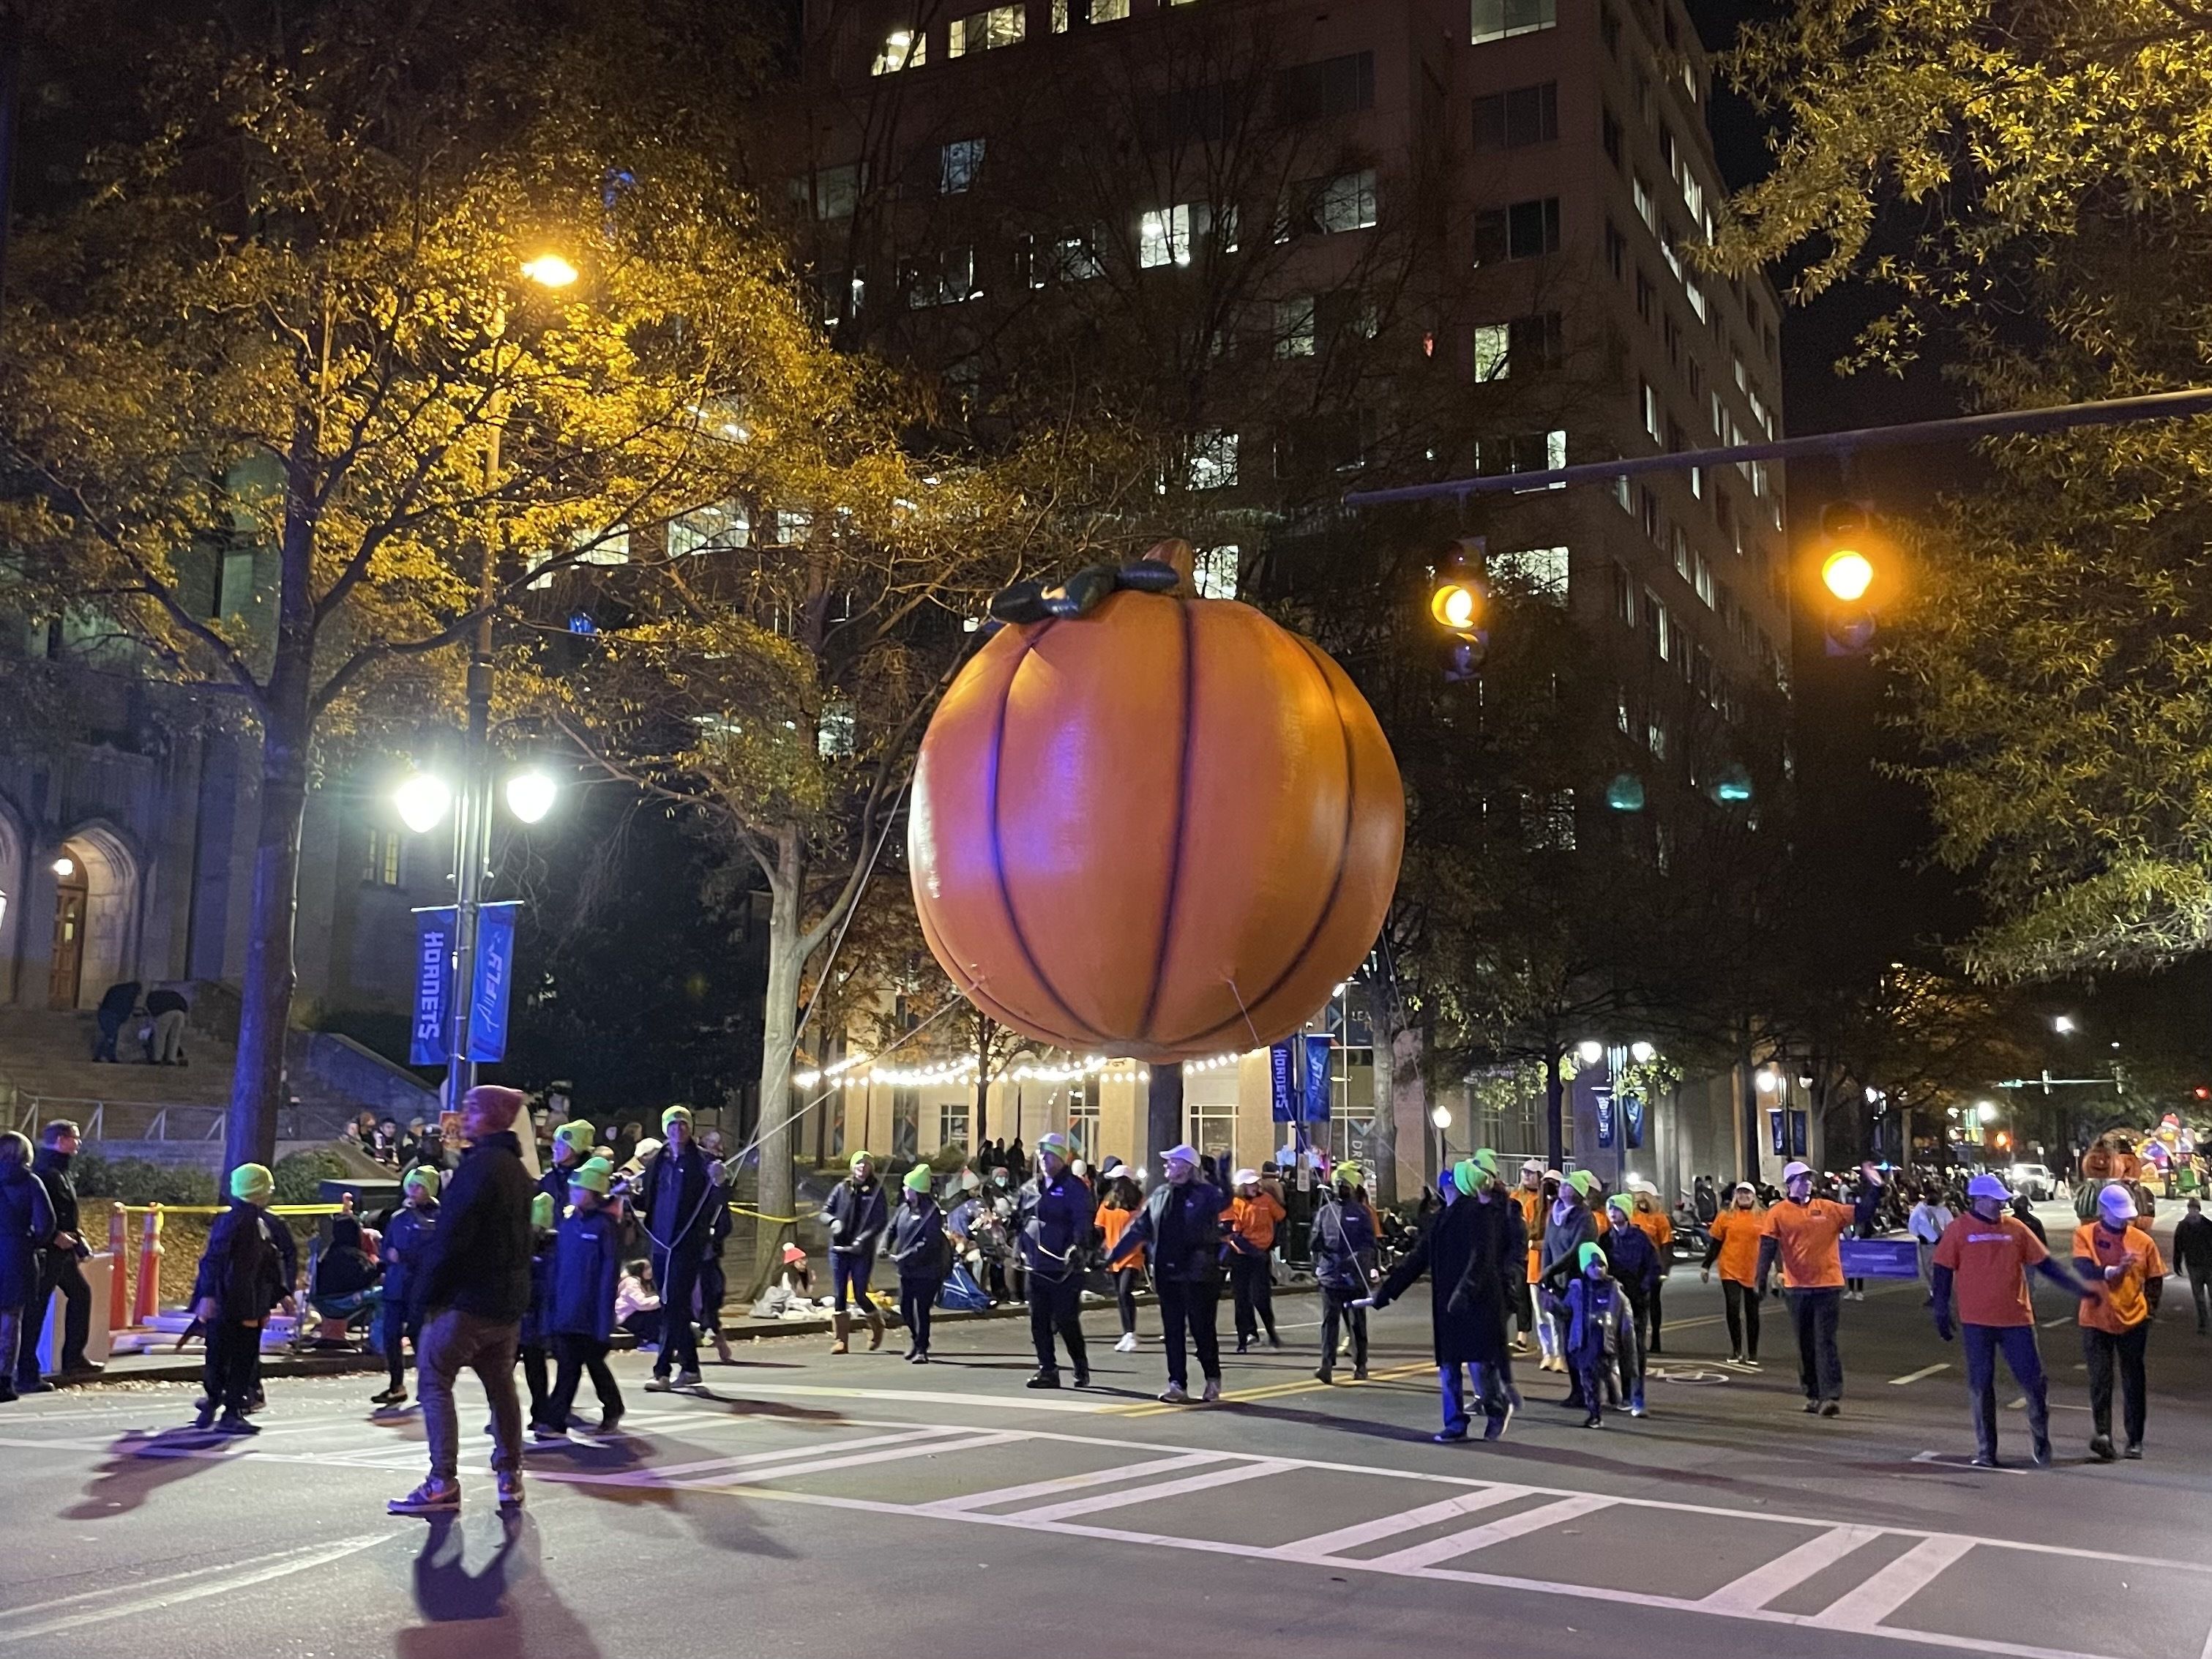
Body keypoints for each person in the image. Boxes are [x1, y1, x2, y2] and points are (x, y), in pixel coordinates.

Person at [389, 1084, 534, 1516]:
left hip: (466, 1301)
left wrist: (423, 1299)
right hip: (506, 1304)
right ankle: (510, 1475)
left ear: (490, 1115)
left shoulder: (479, 1169)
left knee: (434, 1382)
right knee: (500, 1385)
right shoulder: (517, 1171)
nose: (463, 1115)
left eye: (473, 1108)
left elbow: (452, 1240)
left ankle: (442, 1481)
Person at [1929, 1172, 2095, 1468]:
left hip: (2017, 1319)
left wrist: (2078, 1288)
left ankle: (2041, 1443)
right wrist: (1940, 1309)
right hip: (1976, 1322)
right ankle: (1986, 1451)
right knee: (1981, 1385)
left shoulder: (2016, 1229)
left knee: (2034, 1383)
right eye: (1995, 1201)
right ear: (1978, 1200)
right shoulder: (1958, 1230)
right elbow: (1942, 1270)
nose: (2000, 1206)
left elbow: (2046, 1265)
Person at [1365, 1152, 1525, 1442]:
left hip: (1475, 1301)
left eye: (1450, 1182)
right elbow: (1417, 1259)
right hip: (1448, 1304)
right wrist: (1387, 1293)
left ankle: (1495, 1408)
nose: (1445, 1186)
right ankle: (1455, 1423)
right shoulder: (1442, 1220)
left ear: (1459, 1186)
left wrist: (1465, 1291)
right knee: (1449, 1366)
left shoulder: (1481, 1215)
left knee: (1478, 1365)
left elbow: (1482, 1259)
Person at [1106, 1144, 1226, 1403]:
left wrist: (1222, 1177)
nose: (1166, 1166)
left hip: (1198, 1275)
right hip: (1168, 1274)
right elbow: (1139, 1228)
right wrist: (1113, 1253)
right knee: (1173, 1331)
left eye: (1171, 1162)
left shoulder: (1206, 1194)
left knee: (1202, 1329)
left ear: (1187, 1167)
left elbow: (1224, 1200)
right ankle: (1177, 1384)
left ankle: (1212, 1378)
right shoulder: (1160, 1195)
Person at [190, 1163, 291, 1434]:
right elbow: (266, 1262)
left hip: (233, 1299)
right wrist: (280, 1294)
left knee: (220, 1354)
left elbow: (215, 1259)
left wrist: (208, 1295)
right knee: (243, 1356)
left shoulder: (237, 1220)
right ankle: (231, 1409)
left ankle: (214, 1402)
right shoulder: (253, 1222)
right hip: (243, 1300)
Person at [2073, 1182, 2165, 1461]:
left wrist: (2149, 1312)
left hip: (2133, 1320)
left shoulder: (2143, 1241)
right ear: (2103, 1210)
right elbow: (2083, 1267)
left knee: (2133, 1381)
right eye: (2118, 1214)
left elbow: (2155, 1279)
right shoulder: (2085, 1235)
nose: (2125, 1219)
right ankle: (2103, 1435)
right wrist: (2113, 1270)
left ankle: (2135, 1440)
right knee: (2100, 1380)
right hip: (2095, 1318)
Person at [1755, 1160, 1855, 1417]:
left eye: (1809, 1179)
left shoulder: (1827, 1208)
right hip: (1797, 1287)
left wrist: (1875, 1188)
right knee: (1805, 1343)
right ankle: (1812, 1393)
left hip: (1828, 1285)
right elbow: (1768, 1247)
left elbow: (1860, 1213)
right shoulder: (1777, 1212)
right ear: (1789, 1185)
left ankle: (1830, 1395)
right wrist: (1761, 1279)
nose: (1807, 1183)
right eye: (1801, 1179)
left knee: (1825, 1341)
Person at [638, 1105, 717, 1391]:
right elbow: (646, 1199)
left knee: (672, 1304)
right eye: (672, 1125)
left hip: (686, 1244)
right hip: (660, 1244)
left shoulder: (703, 1161)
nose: (678, 1130)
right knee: (675, 1306)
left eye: (683, 1125)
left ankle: (661, 1371)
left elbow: (717, 1199)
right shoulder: (657, 1161)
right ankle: (691, 1369)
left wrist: (720, 1181)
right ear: (665, 1129)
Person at [545, 1157, 625, 1436]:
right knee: (576, 1364)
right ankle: (610, 1407)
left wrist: (605, 1320)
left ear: (592, 1192)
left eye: (578, 1189)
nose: (573, 1192)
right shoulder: (567, 1224)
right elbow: (557, 1268)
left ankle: (556, 1419)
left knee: (578, 1364)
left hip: (589, 1311)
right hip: (566, 1309)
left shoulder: (605, 1227)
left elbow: (608, 1276)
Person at [15, 1120, 94, 1390]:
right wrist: (57, 1235)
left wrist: (75, 1235)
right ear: (61, 1139)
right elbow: (44, 1214)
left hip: (61, 1249)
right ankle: (28, 1369)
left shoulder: (56, 1170)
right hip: (50, 1252)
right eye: (75, 1137)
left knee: (80, 1294)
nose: (79, 1143)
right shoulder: (47, 1172)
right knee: (36, 1309)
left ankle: (72, 1357)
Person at [1016, 1132, 1096, 1387]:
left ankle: (1080, 1364)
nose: (1043, 1159)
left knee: (1065, 1319)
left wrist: (1077, 1246)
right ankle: (1047, 1369)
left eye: (1049, 1154)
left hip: (1063, 1268)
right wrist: (1011, 1240)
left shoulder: (1074, 1187)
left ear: (1062, 1158)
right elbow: (1021, 1220)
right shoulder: (1031, 1188)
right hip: (1036, 1264)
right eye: (1041, 1153)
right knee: (1038, 1319)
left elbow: (1082, 1221)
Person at [371, 1166, 439, 1408]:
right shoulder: (399, 1218)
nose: (414, 1190)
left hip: (420, 1288)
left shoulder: (437, 1218)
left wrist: (405, 1256)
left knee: (419, 1336)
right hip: (396, 1286)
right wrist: (386, 1263)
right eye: (411, 1185)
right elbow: (387, 1248)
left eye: (420, 1186)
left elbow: (435, 1254)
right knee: (391, 1335)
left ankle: (428, 1383)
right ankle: (396, 1384)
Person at [0, 1132, 55, 1402]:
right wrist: (31, 1241)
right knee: (11, 1321)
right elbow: (46, 1224)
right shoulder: (31, 1182)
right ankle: (4, 1381)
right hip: (16, 1256)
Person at [1312, 1160, 1378, 1383]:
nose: (1341, 1188)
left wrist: (1359, 1263)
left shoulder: (1361, 1213)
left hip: (1353, 1276)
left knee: (1355, 1322)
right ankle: (1327, 1365)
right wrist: (1320, 1265)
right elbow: (1315, 1241)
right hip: (1331, 1276)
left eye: (1344, 1185)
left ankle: (1360, 1364)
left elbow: (1369, 1245)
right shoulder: (1325, 1212)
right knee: (1330, 1323)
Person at [1539, 1170, 1601, 1403]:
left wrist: (1551, 1270)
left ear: (1579, 1193)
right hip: (1558, 1283)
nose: (1563, 1188)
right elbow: (1548, 1246)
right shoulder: (1553, 1213)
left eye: (1569, 1186)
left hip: (1578, 1283)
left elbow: (1576, 1250)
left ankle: (1588, 1389)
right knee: (1566, 1340)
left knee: (1580, 1340)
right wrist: (1545, 1275)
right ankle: (1576, 1389)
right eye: (1563, 1185)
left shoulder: (1585, 1218)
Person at [823, 1149, 889, 1354]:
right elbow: (825, 1210)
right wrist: (832, 1221)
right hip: (839, 1248)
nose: (862, 1168)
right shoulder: (841, 1188)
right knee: (839, 1293)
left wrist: (864, 1238)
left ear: (871, 1168)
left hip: (861, 1250)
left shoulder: (876, 1191)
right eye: (859, 1164)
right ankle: (841, 1340)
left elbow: (881, 1221)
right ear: (853, 1167)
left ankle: (877, 1325)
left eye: (866, 1164)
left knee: (860, 1293)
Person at [1602, 1190, 1659, 1417]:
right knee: (1614, 1347)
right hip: (1614, 1300)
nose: (1612, 1213)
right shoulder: (1606, 1239)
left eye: (1616, 1209)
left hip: (1636, 1300)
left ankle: (1638, 1397)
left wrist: (1643, 1287)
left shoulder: (1640, 1238)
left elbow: (1653, 1267)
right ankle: (1622, 1395)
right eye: (1610, 1209)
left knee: (1635, 1351)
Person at [887, 1164, 949, 1363]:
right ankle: (916, 1339)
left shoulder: (931, 1213)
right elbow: (892, 1228)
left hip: (928, 1270)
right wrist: (884, 1246)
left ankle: (922, 1347)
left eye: (908, 1187)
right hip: (907, 1269)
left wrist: (906, 1255)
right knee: (905, 1308)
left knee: (921, 1309)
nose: (904, 1190)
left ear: (917, 1191)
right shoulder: (903, 1209)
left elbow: (929, 1243)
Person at [1223, 1167, 1286, 1354]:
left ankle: (1270, 1330)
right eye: (1249, 1184)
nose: (1254, 1186)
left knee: (1261, 1297)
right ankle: (1246, 1336)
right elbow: (1234, 1234)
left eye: (1255, 1183)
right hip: (1241, 1255)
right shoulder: (1234, 1204)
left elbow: (1281, 1216)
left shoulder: (1266, 1200)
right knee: (1241, 1298)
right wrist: (1253, 1251)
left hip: (1261, 1254)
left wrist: (1272, 1242)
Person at [1703, 1181, 1764, 1366]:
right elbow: (1716, 1244)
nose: (1743, 1197)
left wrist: (1777, 1269)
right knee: (1733, 1307)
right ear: (1735, 1196)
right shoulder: (1725, 1216)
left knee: (1752, 1312)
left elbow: (1772, 1244)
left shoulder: (1764, 1217)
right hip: (1730, 1268)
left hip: (1754, 1270)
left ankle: (1752, 1352)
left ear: (1754, 1197)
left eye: (1747, 1194)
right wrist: (1706, 1266)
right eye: (1740, 1193)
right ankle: (1737, 1350)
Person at [1563, 1243, 1623, 1429]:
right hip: (1583, 1341)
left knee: (1602, 1372)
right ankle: (1595, 1414)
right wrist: (1552, 1305)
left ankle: (1614, 1391)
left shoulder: (1612, 1288)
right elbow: (1566, 1311)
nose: (1597, 1269)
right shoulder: (1577, 1288)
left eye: (1601, 1265)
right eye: (1592, 1266)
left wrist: (1605, 1320)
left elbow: (1616, 1315)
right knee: (1588, 1379)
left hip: (1602, 1342)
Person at [522, 1193, 558, 1436]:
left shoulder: (541, 1251)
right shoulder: (553, 1249)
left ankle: (542, 1411)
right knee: (534, 1365)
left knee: (533, 1365)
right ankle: (541, 1410)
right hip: (532, 1314)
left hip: (531, 1314)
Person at [1097, 1170, 1145, 1352]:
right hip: (1113, 1256)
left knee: (1125, 1291)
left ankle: (1131, 1333)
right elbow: (1099, 1227)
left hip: (1133, 1255)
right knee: (1120, 1294)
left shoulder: (1139, 1202)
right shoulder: (1108, 1203)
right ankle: (1127, 1332)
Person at [1626, 1183, 1674, 1353]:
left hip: (1652, 1266)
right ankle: (1634, 1339)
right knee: (1633, 1303)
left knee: (1653, 1302)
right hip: (1633, 1267)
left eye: (1640, 1194)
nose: (1637, 1197)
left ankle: (1655, 1338)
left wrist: (1664, 1269)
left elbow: (1667, 1244)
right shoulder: (1632, 1215)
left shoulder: (1660, 1218)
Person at [1511, 1162, 1545, 1356]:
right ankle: (1522, 1337)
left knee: (1541, 1300)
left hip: (1536, 1253)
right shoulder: (1515, 1197)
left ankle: (1547, 1340)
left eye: (1531, 1173)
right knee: (1520, 1296)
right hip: (1519, 1254)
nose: (1527, 1176)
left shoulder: (1542, 1199)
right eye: (1524, 1172)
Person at [2170, 1196, 2212, 1335]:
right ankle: (2203, 1323)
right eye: (2191, 1208)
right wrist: (2177, 1263)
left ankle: (2205, 1323)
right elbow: (2178, 1247)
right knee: (2199, 1297)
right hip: (2194, 1265)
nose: (2193, 1211)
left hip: (2208, 1265)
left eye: (2195, 1208)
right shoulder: (2183, 1226)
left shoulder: (2207, 1225)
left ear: (2199, 1210)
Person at [539, 1119, 595, 1211]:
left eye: (561, 1144)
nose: (555, 1147)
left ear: (576, 1149)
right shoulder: (549, 1179)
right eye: (555, 1142)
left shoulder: (588, 1183)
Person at [1909, 1188, 1955, 1297]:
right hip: (1927, 1244)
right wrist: (1920, 1236)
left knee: (1938, 1269)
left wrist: (1944, 1238)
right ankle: (1933, 1293)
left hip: (1941, 1243)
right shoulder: (1921, 1210)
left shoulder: (1943, 1211)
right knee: (1928, 1269)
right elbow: (1913, 1225)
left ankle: (1939, 1292)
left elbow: (1951, 1226)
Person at [1847, 1163, 1883, 1301]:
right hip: (1849, 1241)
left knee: (1859, 1266)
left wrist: (1858, 1235)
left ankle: (1859, 1291)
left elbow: (1864, 1217)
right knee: (1850, 1267)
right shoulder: (1844, 1211)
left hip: (1859, 1240)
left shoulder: (1860, 1210)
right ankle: (1851, 1290)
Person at [90, 979, 141, 1063]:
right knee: (111, 1037)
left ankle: (105, 1056)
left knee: (109, 1036)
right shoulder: (130, 993)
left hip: (105, 1012)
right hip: (112, 1015)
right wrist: (125, 1017)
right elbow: (127, 1007)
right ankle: (104, 1056)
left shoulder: (116, 988)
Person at [616, 1259, 662, 1341]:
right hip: (628, 1317)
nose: (650, 1270)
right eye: (646, 1268)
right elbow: (641, 1303)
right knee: (654, 1316)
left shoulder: (648, 1284)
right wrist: (661, 1300)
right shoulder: (632, 1282)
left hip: (636, 1314)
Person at [144, 984, 190, 1065]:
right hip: (180, 1013)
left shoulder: (151, 996)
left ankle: (157, 1059)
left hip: (165, 1013)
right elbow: (185, 1005)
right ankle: (171, 1059)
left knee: (160, 1036)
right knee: (175, 1037)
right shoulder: (172, 994)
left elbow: (151, 1011)